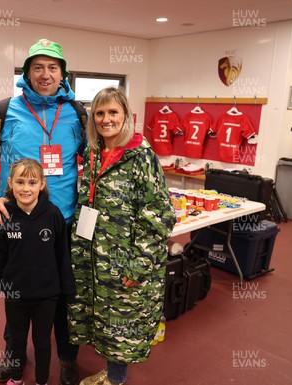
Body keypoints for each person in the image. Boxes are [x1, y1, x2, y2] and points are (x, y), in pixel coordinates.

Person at [0, 38, 85, 385]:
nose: (45, 74)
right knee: (16, 290)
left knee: (63, 291)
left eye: (52, 67)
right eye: (38, 67)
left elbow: (97, 161)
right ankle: (14, 356)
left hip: (62, 221)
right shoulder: (6, 111)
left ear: (63, 73)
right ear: (27, 73)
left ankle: (66, 358)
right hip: (15, 220)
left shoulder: (78, 114)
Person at [68, 87, 176, 385]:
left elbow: (159, 215)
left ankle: (116, 379)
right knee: (103, 315)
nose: (106, 119)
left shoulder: (141, 156)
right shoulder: (92, 152)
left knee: (121, 320)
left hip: (125, 257)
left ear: (126, 116)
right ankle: (111, 372)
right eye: (99, 113)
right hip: (94, 254)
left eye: (113, 112)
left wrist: (139, 264)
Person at [0, 158, 76, 385]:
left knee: (42, 342)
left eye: (32, 182)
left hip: (46, 296)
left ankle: (41, 380)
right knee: (17, 342)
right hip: (15, 295)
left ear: (42, 184)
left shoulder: (53, 214)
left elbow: (62, 256)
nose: (26, 188)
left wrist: (68, 290)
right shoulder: (5, 215)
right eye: (20, 182)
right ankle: (16, 378)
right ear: (10, 183)